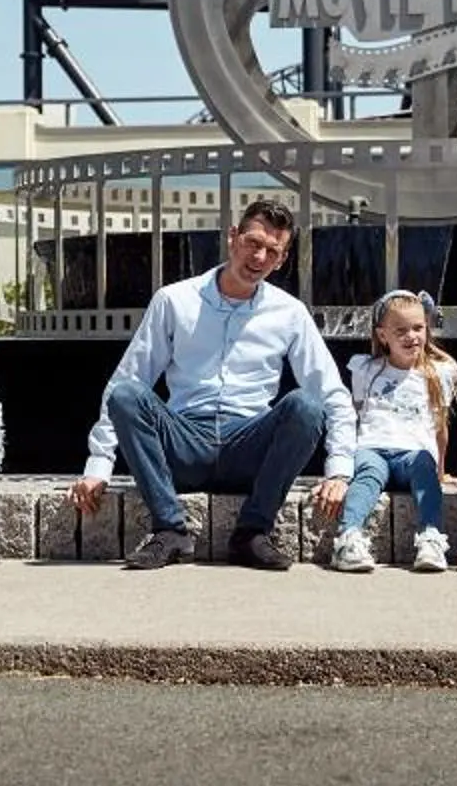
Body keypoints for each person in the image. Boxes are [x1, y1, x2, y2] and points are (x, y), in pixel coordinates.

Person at [71, 198, 356, 571]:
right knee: (127, 395)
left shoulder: (290, 312)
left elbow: (331, 393)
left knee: (306, 406)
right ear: (232, 237)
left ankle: (253, 533)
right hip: (184, 441)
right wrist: (98, 467)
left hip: (249, 445)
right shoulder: (174, 300)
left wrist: (338, 470)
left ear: (282, 260)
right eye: (253, 242)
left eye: (272, 251)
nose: (259, 257)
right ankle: (169, 531)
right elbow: (129, 378)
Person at [328, 290, 457, 575]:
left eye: (418, 328)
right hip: (372, 447)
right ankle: (348, 537)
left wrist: (441, 468)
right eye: (400, 330)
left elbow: (440, 427)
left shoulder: (438, 372)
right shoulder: (366, 369)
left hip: (414, 452)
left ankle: (431, 537)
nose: (411, 336)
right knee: (366, 477)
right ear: (382, 335)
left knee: (424, 470)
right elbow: (354, 413)